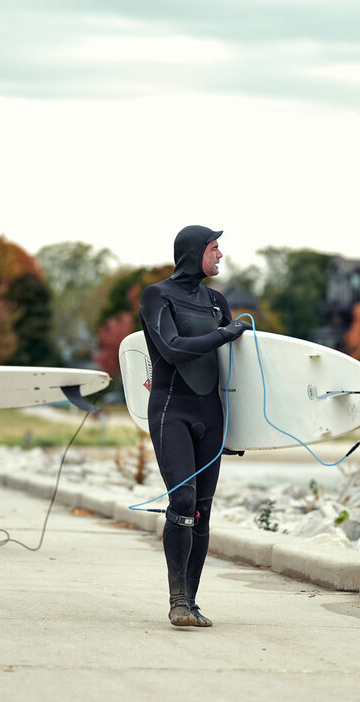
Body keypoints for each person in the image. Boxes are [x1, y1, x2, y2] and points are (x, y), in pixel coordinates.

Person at [139, 225, 252, 627]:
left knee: (203, 511)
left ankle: (192, 601)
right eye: (215, 248)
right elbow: (170, 349)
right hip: (172, 410)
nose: (220, 255)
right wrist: (225, 333)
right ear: (194, 252)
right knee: (183, 501)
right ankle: (176, 601)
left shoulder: (216, 301)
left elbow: (234, 371)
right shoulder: (157, 295)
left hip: (212, 415)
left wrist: (244, 430)